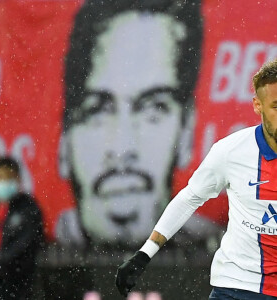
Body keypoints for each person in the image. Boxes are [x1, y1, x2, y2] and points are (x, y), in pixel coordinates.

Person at [56, 0, 218, 249]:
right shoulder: (38, 250)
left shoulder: (211, 250)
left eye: (153, 109)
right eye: (96, 111)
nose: (123, 149)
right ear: (64, 143)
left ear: (186, 132)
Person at [116, 59, 277, 299]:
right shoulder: (231, 151)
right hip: (239, 285)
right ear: (257, 105)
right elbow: (190, 198)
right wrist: (145, 253)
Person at [0, 156, 43, 300]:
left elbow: (23, 250)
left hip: (17, 288)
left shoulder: (28, 210)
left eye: (8, 177)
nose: (3, 182)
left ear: (18, 180)